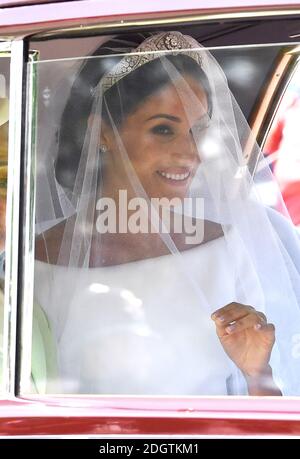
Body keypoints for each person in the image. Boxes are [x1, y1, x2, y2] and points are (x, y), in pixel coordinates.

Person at [33, 31, 300, 396]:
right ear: (102, 133)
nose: (190, 154)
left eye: (198, 131)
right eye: (163, 129)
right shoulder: (35, 263)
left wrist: (258, 372)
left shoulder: (234, 244)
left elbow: (266, 413)